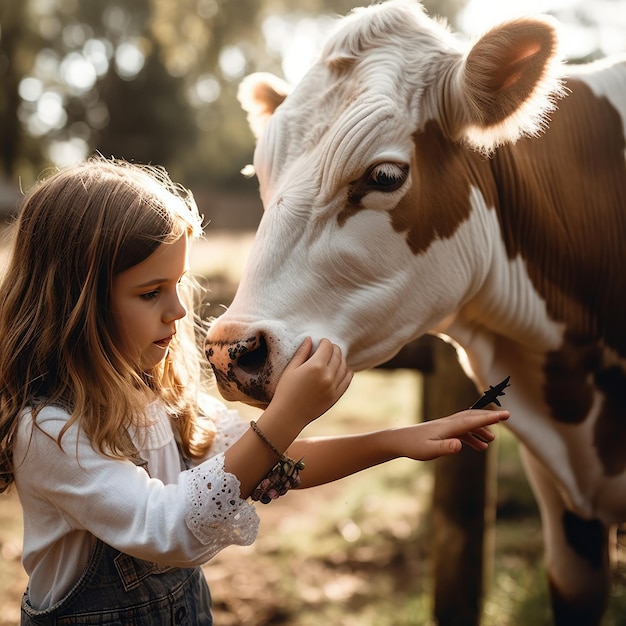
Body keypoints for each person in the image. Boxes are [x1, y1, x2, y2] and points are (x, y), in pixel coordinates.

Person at [0, 156, 509, 625]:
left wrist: (397, 440)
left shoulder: (154, 396)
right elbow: (166, 529)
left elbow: (263, 461)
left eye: (178, 284)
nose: (178, 310)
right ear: (76, 301)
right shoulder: (49, 430)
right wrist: (288, 412)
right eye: (151, 292)